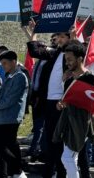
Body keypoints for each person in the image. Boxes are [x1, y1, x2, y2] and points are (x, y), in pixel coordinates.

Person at [25, 19, 74, 178]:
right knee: (50, 140)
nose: (58, 40)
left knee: (58, 141)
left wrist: (73, 38)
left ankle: (61, 172)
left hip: (63, 103)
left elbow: (80, 53)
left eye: (62, 37)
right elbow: (35, 51)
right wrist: (33, 34)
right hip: (49, 102)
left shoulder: (72, 54)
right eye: (57, 37)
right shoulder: (55, 53)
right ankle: (51, 171)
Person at [54, 42, 94, 178]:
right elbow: (65, 101)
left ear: (79, 59)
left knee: (67, 158)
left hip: (82, 124)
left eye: (70, 59)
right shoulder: (68, 81)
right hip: (68, 124)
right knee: (76, 159)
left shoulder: (89, 78)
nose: (67, 63)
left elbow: (92, 103)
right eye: (66, 60)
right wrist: (60, 105)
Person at [0, 51, 29, 178]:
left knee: (0, 148)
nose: (3, 66)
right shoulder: (10, 76)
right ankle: (16, 172)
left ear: (14, 61)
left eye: (5, 63)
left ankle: (18, 171)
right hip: (3, 118)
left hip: (10, 118)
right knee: (6, 148)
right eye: (2, 63)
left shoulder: (20, 77)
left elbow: (9, 100)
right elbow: (2, 95)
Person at [26, 41, 49, 160]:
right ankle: (36, 149)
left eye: (41, 47)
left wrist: (40, 95)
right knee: (36, 125)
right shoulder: (38, 62)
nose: (38, 50)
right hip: (35, 96)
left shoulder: (48, 62)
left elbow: (44, 82)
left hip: (42, 97)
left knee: (40, 125)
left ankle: (36, 149)